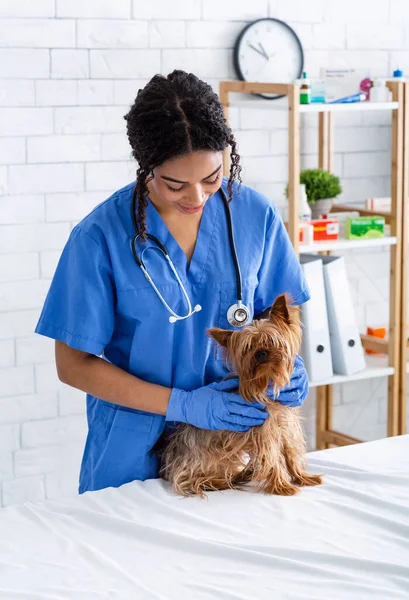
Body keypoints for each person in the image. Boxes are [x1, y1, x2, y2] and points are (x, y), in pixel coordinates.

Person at [35, 70, 310, 494]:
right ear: (146, 167)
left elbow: (279, 313)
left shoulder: (255, 215)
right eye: (175, 184)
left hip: (237, 452)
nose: (197, 197)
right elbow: (72, 365)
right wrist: (182, 405)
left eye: (212, 177)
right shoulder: (98, 238)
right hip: (130, 456)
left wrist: (290, 368)